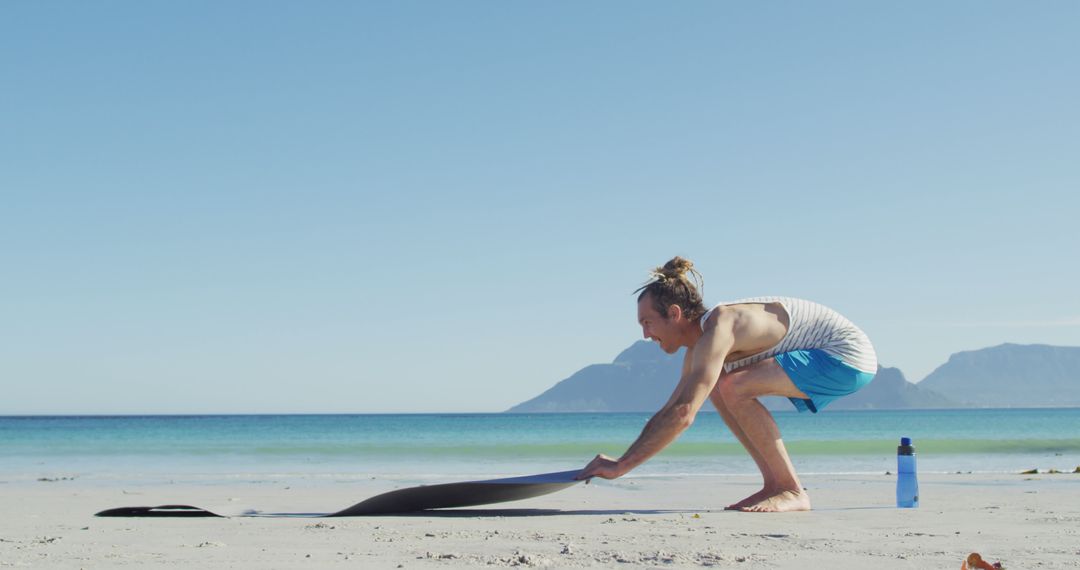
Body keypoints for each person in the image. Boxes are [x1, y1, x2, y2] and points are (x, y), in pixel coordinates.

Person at [575, 256, 877, 512]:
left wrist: (622, 467)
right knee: (722, 386)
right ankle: (774, 484)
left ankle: (791, 489)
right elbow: (672, 407)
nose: (645, 335)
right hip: (833, 358)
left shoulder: (721, 326)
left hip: (846, 357)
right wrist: (621, 459)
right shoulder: (700, 346)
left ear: (675, 314)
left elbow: (684, 414)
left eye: (647, 323)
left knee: (732, 387)